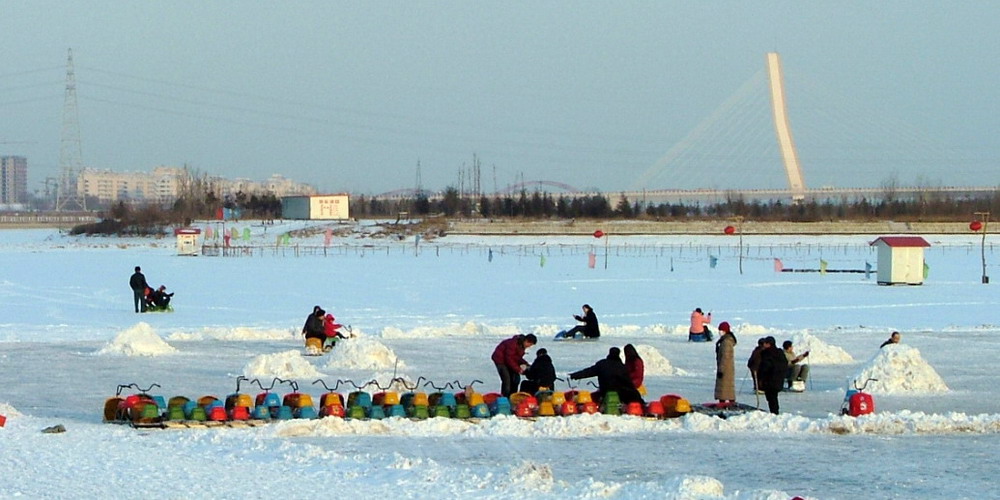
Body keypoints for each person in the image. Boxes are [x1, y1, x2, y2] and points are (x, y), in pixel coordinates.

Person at [569, 347, 644, 405]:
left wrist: (575, 375)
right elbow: (628, 382)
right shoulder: (622, 367)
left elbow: (588, 372)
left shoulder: (602, 364)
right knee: (634, 395)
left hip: (605, 391)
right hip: (621, 392)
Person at [756, 336, 788, 414]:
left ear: (769, 344)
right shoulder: (779, 353)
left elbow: (765, 367)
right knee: (773, 397)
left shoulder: (767, 353)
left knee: (771, 398)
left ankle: (774, 413)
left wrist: (760, 377)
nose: (764, 345)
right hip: (778, 379)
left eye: (765, 343)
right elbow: (785, 364)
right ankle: (775, 412)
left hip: (769, 380)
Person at [714, 321, 737, 403]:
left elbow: (725, 357)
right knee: (726, 387)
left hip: (725, 368)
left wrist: (721, 369)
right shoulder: (724, 341)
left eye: (721, 330)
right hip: (727, 368)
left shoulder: (726, 342)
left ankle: (726, 402)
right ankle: (726, 401)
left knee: (724, 387)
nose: (719, 332)